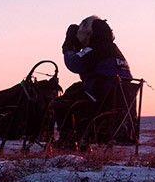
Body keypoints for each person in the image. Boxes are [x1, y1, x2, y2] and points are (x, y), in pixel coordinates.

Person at [51, 16, 133, 149]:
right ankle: (79, 140)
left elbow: (74, 64)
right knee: (73, 90)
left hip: (98, 103)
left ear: (90, 33)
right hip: (119, 106)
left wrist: (69, 47)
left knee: (61, 103)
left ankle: (68, 142)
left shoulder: (97, 49)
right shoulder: (114, 50)